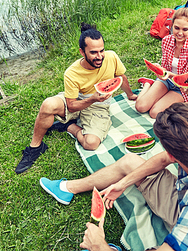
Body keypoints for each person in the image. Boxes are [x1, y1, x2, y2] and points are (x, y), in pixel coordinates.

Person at [39, 103, 188, 250]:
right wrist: (122, 183)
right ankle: (68, 188)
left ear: (173, 154)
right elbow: (162, 160)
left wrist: (101, 247)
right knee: (130, 162)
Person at [15, 23, 137, 174]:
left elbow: (120, 77)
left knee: (91, 143)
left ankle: (68, 126)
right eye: (93, 52)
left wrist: (130, 95)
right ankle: (35, 147)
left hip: (99, 106)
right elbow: (71, 105)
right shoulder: (71, 73)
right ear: (82, 52)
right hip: (77, 100)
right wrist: (91, 99)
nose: (99, 57)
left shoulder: (111, 57)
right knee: (48, 105)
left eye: (101, 51)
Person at [135, 7, 188, 118]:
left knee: (155, 113)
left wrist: (168, 74)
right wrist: (160, 69)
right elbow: (165, 67)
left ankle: (174, 100)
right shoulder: (166, 41)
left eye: (185, 29)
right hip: (166, 80)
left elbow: (187, 78)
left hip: (183, 88)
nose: (180, 33)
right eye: (176, 28)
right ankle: (147, 84)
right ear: (171, 25)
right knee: (141, 107)